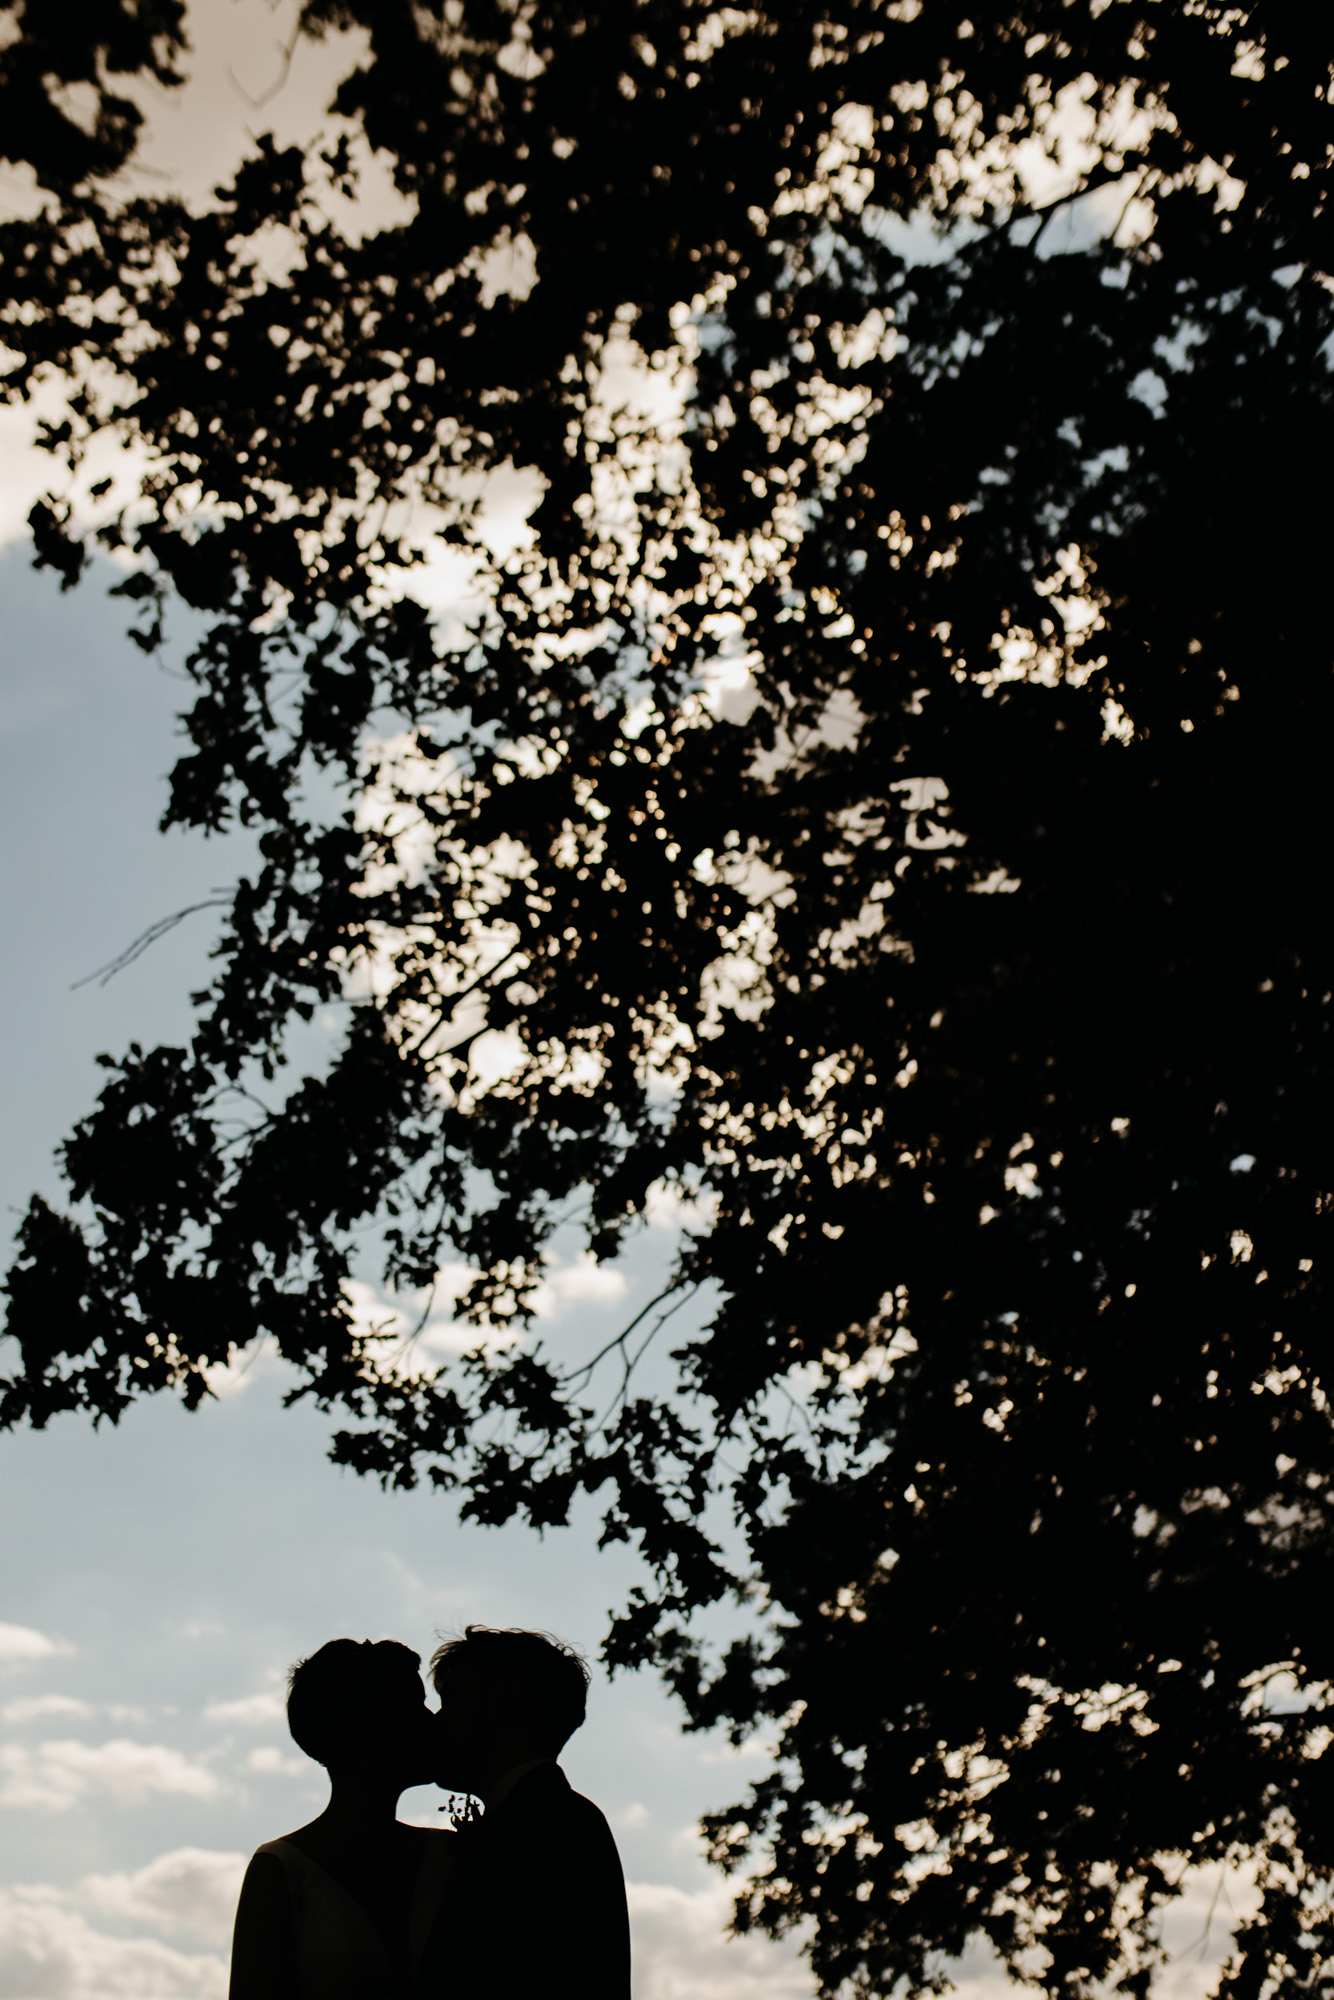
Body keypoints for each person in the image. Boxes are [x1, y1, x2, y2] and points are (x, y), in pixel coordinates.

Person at [413, 1625, 631, 2000]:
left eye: (450, 1701)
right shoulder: (555, 1818)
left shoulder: (554, 1826)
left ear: (504, 1699)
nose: (435, 1721)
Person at [229, 1638, 452, 2000]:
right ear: (361, 1729)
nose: (430, 1722)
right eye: (412, 1707)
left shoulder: (451, 1853)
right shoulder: (281, 1870)